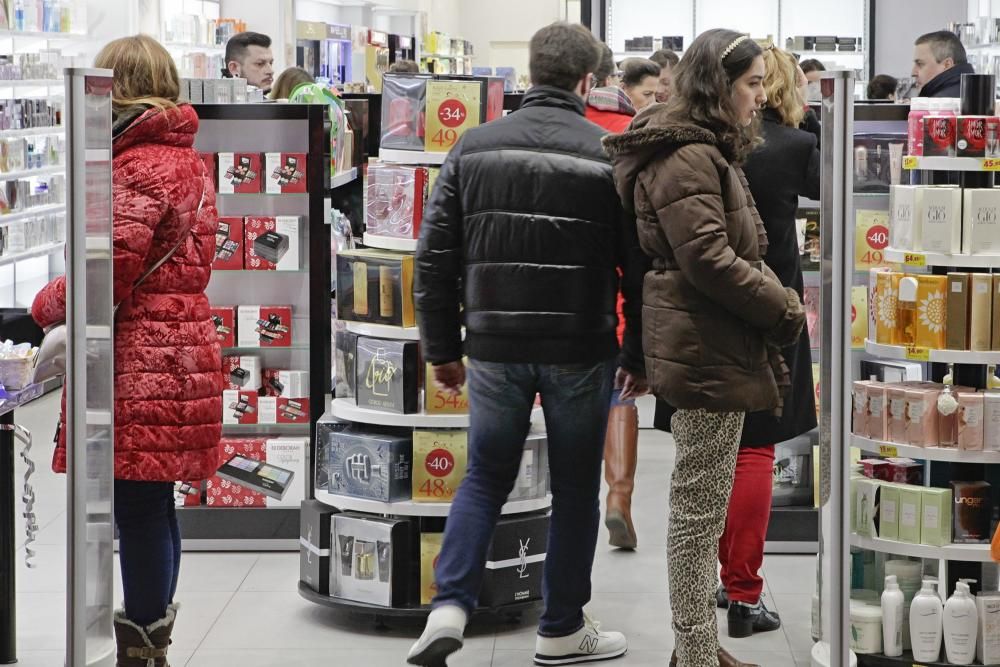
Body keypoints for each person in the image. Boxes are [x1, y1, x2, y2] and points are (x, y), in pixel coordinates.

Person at [407, 21, 647, 667]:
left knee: (483, 476)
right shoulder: (609, 151)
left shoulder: (473, 146)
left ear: (529, 73)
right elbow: (638, 265)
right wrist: (639, 353)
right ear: (587, 80)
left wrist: (442, 348)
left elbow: (433, 258)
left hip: (493, 343)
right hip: (581, 343)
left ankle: (450, 605)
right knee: (574, 489)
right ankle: (561, 628)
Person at [604, 28, 805, 667]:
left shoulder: (700, 146)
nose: (759, 98)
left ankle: (698, 645)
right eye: (750, 85)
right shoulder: (688, 154)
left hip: (709, 335)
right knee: (698, 509)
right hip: (706, 340)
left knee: (704, 497)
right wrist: (783, 308)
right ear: (719, 85)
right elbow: (709, 257)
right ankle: (692, 650)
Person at [31, 34, 221, 666]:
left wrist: (43, 304)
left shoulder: (139, 165)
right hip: (179, 343)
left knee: (135, 505)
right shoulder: (187, 159)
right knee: (152, 501)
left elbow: (103, 273)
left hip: (142, 355)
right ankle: (151, 639)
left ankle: (141, 647)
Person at [713, 44, 818, 640]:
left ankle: (699, 577)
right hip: (774, 303)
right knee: (756, 449)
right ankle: (743, 592)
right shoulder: (797, 147)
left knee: (706, 456)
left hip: (707, 308)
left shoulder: (707, 144)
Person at [584, 44, 641, 550]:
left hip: (566, 292)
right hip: (621, 284)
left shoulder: (568, 128)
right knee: (619, 393)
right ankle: (619, 496)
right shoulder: (632, 133)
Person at [585, 43, 636, 133]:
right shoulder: (629, 127)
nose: (621, 81)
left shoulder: (564, 116)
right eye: (618, 75)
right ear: (607, 80)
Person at [913, 30, 974, 98]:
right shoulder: (974, 92)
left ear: (947, 65)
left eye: (920, 64)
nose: (913, 73)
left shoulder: (939, 104)